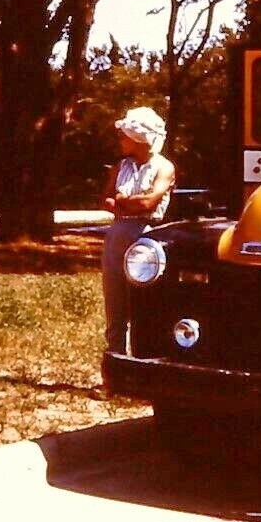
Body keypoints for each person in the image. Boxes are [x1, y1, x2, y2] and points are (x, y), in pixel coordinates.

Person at [100, 106, 176, 353]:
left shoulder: (163, 167)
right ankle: (116, 356)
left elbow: (149, 203)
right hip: (117, 237)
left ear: (139, 138)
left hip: (147, 236)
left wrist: (123, 201)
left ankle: (145, 356)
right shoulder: (120, 167)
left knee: (144, 301)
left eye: (124, 135)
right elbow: (107, 200)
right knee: (115, 300)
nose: (120, 140)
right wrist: (128, 203)